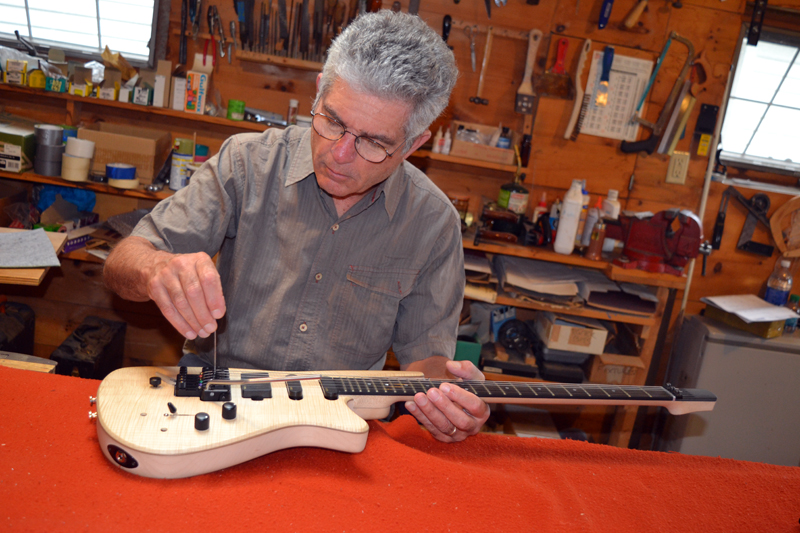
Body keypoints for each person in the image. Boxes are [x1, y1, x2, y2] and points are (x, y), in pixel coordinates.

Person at [103, 10, 490, 442]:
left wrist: (447, 401)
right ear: (321, 90)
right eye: (333, 122)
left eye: (374, 143)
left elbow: (427, 362)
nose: (340, 154)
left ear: (414, 144)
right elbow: (125, 261)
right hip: (213, 407)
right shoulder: (246, 163)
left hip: (340, 426)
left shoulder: (433, 222)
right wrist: (155, 270)